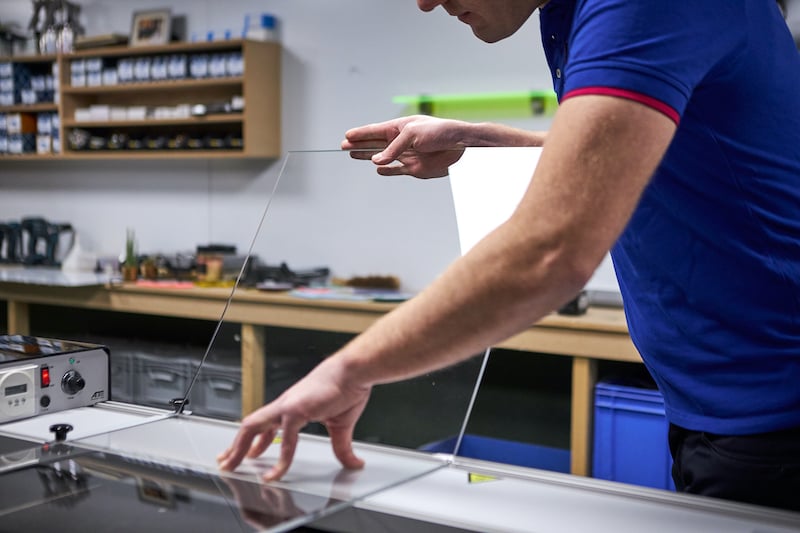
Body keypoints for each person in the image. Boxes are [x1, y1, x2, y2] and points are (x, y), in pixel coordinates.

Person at [219, 0, 800, 512]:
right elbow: (634, 153)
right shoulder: (569, 11)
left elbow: (552, 249)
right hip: (717, 405)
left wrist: (348, 369)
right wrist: (482, 140)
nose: (424, 3)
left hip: (773, 417)